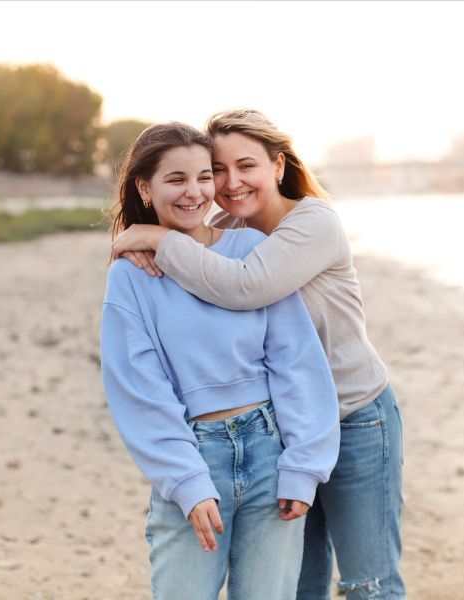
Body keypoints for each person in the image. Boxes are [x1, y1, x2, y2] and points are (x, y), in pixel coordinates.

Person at [111, 110, 406, 600]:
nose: (228, 183)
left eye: (245, 166)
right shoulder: (227, 230)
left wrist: (157, 238)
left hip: (353, 416)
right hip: (285, 428)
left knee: (368, 584)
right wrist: (149, 245)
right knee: (300, 585)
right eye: (217, 170)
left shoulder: (313, 221)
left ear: (278, 165)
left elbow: (247, 286)